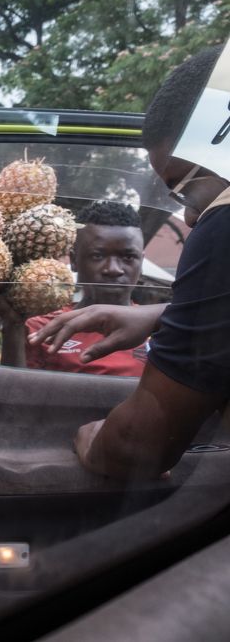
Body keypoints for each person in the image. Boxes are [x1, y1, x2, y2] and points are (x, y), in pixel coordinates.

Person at [39, 46, 230, 479]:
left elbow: (134, 448)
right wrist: (165, 314)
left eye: (183, 186)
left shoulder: (223, 225)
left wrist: (90, 437)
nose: (188, 215)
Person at [0, 201, 147, 375]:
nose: (113, 269)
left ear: (141, 262)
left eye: (128, 257)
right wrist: (12, 328)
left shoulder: (159, 330)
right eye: (97, 256)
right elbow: (14, 392)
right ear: (74, 261)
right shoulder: (43, 329)